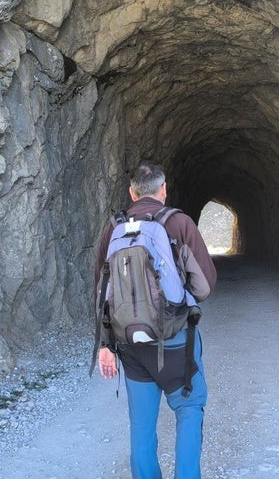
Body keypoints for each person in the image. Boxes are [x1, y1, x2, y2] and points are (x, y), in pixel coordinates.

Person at [93, 161, 217, 479]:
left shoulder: (113, 229)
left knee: (142, 427)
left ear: (132, 193)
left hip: (131, 347)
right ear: (164, 190)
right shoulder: (178, 224)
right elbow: (204, 286)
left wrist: (105, 345)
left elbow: (101, 293)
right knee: (189, 411)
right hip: (174, 342)